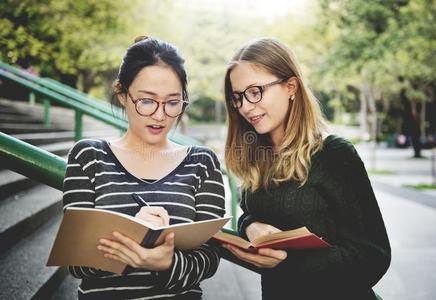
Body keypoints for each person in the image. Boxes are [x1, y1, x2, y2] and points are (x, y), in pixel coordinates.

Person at [221, 37, 391, 300]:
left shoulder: (334, 154)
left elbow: (373, 256)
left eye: (255, 91)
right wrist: (249, 226)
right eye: (237, 97)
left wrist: (286, 263)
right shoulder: (258, 156)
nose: (245, 106)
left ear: (291, 86)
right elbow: (256, 214)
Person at [62, 36, 225, 299]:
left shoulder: (202, 163)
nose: (160, 116)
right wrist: (133, 235)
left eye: (173, 102)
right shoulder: (88, 157)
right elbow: (76, 263)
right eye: (147, 101)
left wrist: (167, 263)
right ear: (123, 96)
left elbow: (209, 258)